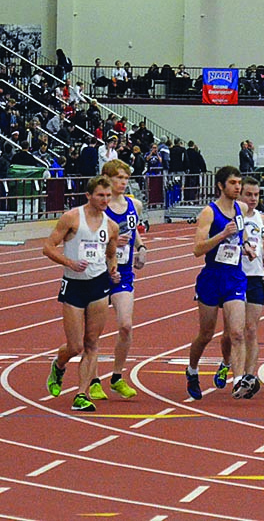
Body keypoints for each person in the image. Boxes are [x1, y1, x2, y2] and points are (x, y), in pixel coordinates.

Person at [43, 176, 120, 412]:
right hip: (74, 285)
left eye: (108, 196)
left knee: (92, 342)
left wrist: (113, 270)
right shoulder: (72, 218)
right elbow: (48, 247)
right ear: (89, 196)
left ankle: (81, 394)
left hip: (98, 286)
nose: (105, 200)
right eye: (100, 195)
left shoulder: (111, 226)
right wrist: (69, 262)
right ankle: (59, 364)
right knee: (75, 345)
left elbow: (110, 254)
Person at [185, 166, 255, 400]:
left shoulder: (241, 208)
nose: (238, 187)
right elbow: (197, 249)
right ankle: (192, 370)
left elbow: (241, 233)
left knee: (237, 332)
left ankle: (238, 381)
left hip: (234, 276)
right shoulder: (209, 212)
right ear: (221, 186)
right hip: (211, 277)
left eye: (239, 183)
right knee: (206, 334)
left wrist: (247, 247)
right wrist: (222, 235)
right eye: (233, 183)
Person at [83, 160, 146, 402]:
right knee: (93, 332)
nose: (123, 182)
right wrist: (110, 242)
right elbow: (87, 237)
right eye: (119, 177)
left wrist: (141, 247)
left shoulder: (133, 204)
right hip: (98, 272)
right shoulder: (98, 207)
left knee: (126, 325)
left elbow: (134, 230)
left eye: (126, 178)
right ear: (106, 178)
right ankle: (94, 380)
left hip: (124, 273)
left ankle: (117, 377)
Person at [219, 176, 264, 399]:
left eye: (256, 195)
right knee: (231, 332)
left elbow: (260, 245)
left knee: (250, 329)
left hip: (256, 277)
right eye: (248, 194)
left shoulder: (262, 220)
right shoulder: (229, 218)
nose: (253, 199)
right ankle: (226, 361)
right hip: (234, 276)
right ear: (239, 195)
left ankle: (249, 377)